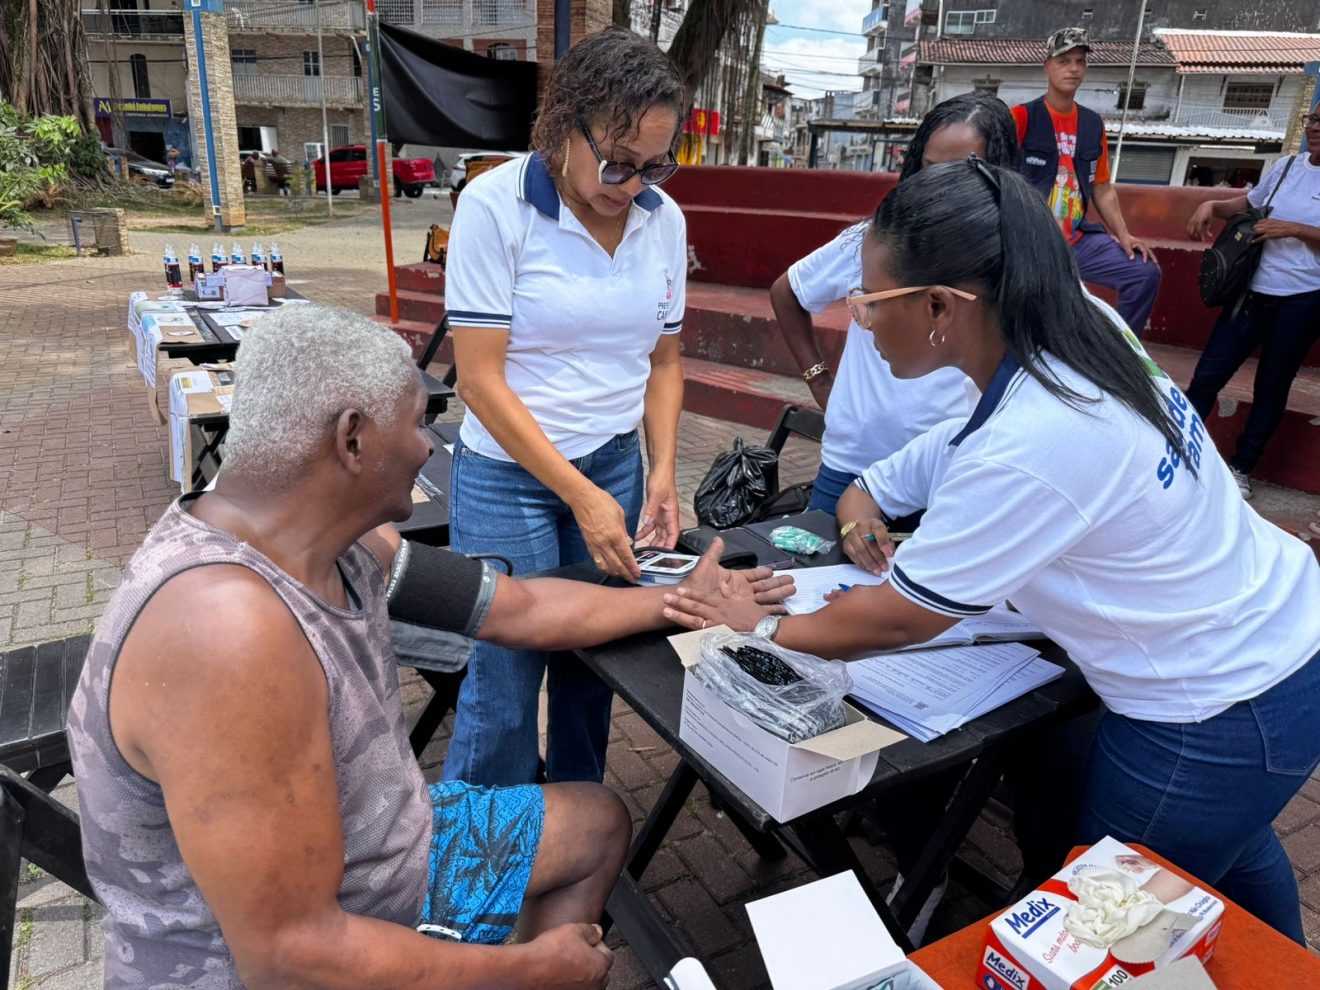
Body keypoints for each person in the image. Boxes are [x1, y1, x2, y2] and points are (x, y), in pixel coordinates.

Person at [664, 159, 1320, 943]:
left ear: (941, 305)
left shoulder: (1038, 434)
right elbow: (957, 449)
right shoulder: (1075, 334)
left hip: (1214, 708)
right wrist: (861, 497)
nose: (861, 321)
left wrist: (757, 623)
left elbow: (899, 620)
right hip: (1277, 653)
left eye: (868, 302)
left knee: (1091, 933)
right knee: (1232, 861)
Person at [67, 305, 789, 990]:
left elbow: (524, 607)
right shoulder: (228, 633)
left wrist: (682, 602)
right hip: (269, 963)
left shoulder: (338, 540)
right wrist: (528, 970)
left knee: (597, 823)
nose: (430, 446)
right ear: (352, 439)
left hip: (384, 852)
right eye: (421, 421)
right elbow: (292, 957)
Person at [442, 28, 689, 786]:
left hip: (612, 464)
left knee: (595, 669)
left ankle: (576, 828)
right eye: (617, 161)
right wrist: (578, 495)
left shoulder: (662, 220)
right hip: (507, 478)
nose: (633, 184)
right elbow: (479, 380)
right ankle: (479, 867)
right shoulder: (496, 205)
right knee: (506, 683)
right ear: (564, 125)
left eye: (655, 165)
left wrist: (662, 473)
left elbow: (665, 361)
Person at [769, 92, 1019, 514]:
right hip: (853, 461)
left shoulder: (1009, 262)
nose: (942, 186)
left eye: (964, 171)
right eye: (931, 169)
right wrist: (820, 381)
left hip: (942, 474)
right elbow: (788, 290)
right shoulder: (878, 242)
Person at [1183, 115, 1320, 500]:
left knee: (1271, 387)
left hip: (1304, 300)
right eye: (1313, 119)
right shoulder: (1287, 167)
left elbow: (1288, 226)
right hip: (1252, 291)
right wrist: (1211, 203)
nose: (1315, 127)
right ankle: (1177, 450)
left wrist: (1294, 229)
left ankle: (1241, 467)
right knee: (1208, 375)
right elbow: (1249, 203)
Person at [1012, 27, 1161, 335]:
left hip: (1077, 242)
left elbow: (1102, 187)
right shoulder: (1022, 118)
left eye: (1080, 61)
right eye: (1064, 61)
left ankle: (1118, 353)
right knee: (1034, 321)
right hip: (1030, 244)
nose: (1074, 69)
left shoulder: (1093, 124)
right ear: (1048, 65)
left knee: (1144, 273)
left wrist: (1124, 234)